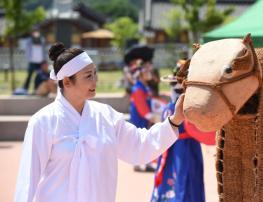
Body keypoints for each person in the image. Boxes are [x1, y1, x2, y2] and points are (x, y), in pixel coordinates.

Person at [14, 42, 185, 202]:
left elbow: (140, 145)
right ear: (67, 81)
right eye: (88, 76)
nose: (95, 81)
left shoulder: (105, 116)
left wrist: (174, 120)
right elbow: (28, 181)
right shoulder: (43, 122)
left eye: (95, 73)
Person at [150, 60, 214, 202]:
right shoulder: (181, 107)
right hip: (179, 147)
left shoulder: (179, 107)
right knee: (181, 178)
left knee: (181, 178)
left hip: (180, 146)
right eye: (173, 85)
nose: (174, 87)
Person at [23, 27, 47, 92]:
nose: (36, 33)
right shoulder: (29, 41)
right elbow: (27, 51)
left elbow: (44, 51)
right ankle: (25, 88)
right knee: (29, 75)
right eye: (35, 32)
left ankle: (37, 88)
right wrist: (29, 58)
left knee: (39, 76)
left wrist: (44, 60)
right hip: (32, 61)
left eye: (37, 31)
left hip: (40, 61)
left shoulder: (42, 40)